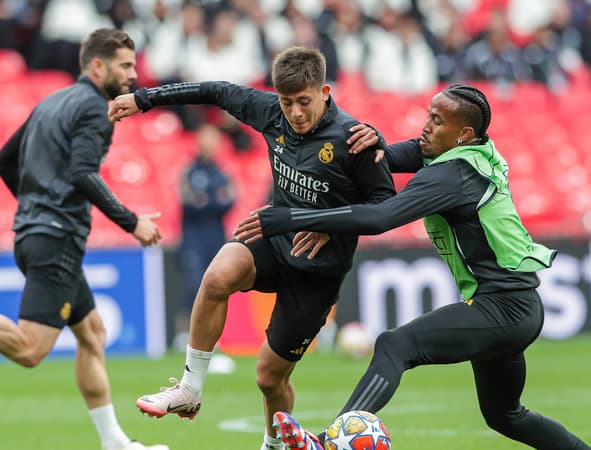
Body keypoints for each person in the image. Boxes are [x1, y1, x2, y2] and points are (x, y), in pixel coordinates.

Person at [235, 84, 591, 450]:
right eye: (428, 116)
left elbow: (380, 217)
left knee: (396, 344)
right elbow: (375, 160)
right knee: (505, 415)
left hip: (504, 306)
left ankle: (328, 443)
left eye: (437, 121)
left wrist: (291, 218)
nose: (426, 126)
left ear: (463, 133)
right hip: (515, 306)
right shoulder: (466, 152)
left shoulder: (452, 175)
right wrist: (370, 141)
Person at [107, 46, 395, 450]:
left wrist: (327, 225)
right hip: (273, 240)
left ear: (325, 92)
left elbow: (385, 209)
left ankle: (274, 446)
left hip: (317, 271)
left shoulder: (354, 139)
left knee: (269, 378)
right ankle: (189, 388)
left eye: (304, 102)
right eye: (287, 102)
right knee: (217, 276)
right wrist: (144, 98)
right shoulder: (271, 113)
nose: (295, 113)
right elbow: (215, 90)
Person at [0, 28, 166, 450]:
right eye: (124, 66)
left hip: (38, 234)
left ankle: (114, 442)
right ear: (97, 66)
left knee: (92, 334)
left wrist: (36, 206)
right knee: (30, 351)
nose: (132, 74)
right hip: (54, 239)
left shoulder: (51, 101)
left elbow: (5, 160)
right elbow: (82, 173)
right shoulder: (95, 108)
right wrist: (132, 222)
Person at [176, 123, 236, 340]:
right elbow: (189, 202)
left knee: (217, 287)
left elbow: (229, 201)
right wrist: (213, 201)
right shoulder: (189, 171)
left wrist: (206, 201)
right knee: (193, 286)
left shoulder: (223, 173)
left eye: (213, 139)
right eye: (206, 139)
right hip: (193, 239)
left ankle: (212, 337)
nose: (210, 144)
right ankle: (184, 334)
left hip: (216, 238)